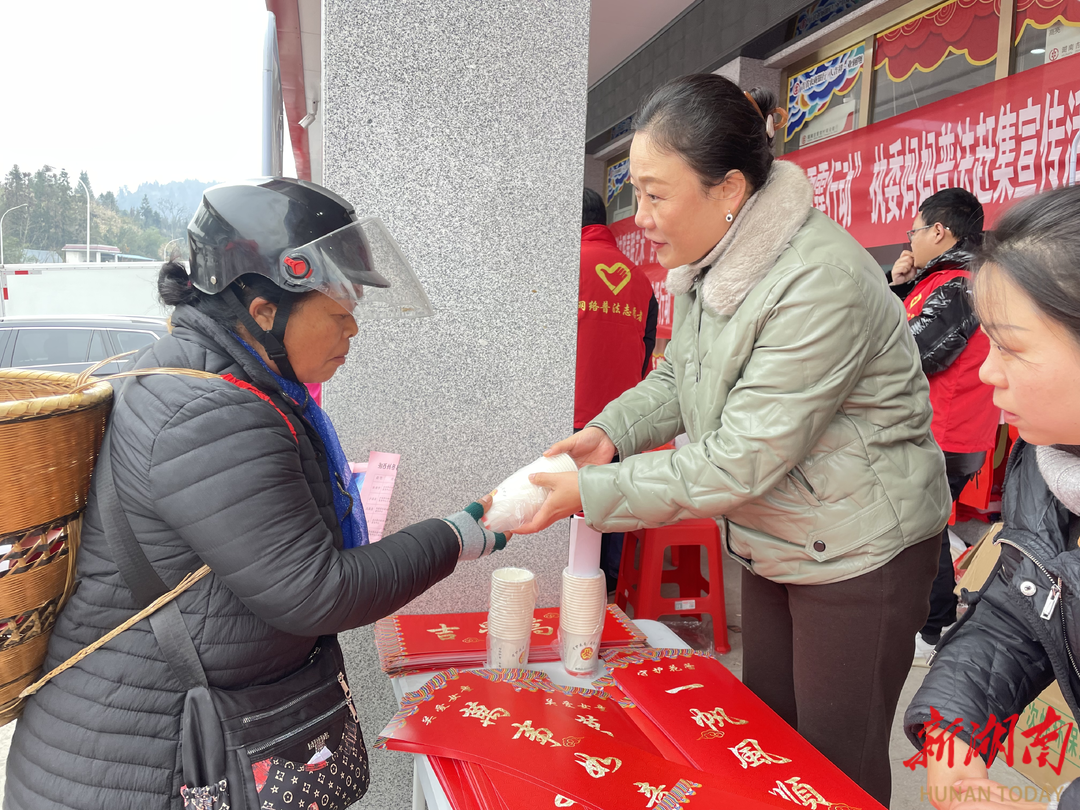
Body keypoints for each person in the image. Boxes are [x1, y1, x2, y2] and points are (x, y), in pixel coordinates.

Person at [512, 74, 950, 806]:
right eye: (634, 194)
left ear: (730, 190)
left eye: (656, 194)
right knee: (767, 740)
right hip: (779, 533)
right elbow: (676, 376)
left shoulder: (817, 282)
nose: (640, 217)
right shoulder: (706, 263)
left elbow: (741, 459)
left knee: (834, 768)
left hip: (858, 550)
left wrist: (590, 493)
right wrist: (608, 437)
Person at [4, 178, 509, 810]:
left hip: (147, 742)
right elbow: (318, 593)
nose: (353, 329)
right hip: (139, 764)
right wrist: (458, 534)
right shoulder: (209, 412)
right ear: (263, 310)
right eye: (338, 311)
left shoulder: (218, 381)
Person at [905, 186, 1080, 810]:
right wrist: (955, 735)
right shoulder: (1047, 467)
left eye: (1011, 346)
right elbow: (1017, 615)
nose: (987, 371)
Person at [890, 188, 1000, 664]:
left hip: (944, 431)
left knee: (924, 531)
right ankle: (931, 622)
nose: (909, 240)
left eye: (913, 230)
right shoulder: (942, 280)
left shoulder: (957, 284)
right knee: (923, 528)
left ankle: (932, 628)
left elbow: (910, 351)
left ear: (939, 231)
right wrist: (899, 285)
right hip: (944, 429)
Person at [577, 187, 657, 591]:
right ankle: (607, 591)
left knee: (568, 513)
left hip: (572, 423)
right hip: (623, 424)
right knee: (612, 508)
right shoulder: (641, 280)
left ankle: (572, 598)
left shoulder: (565, 269)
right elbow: (646, 361)